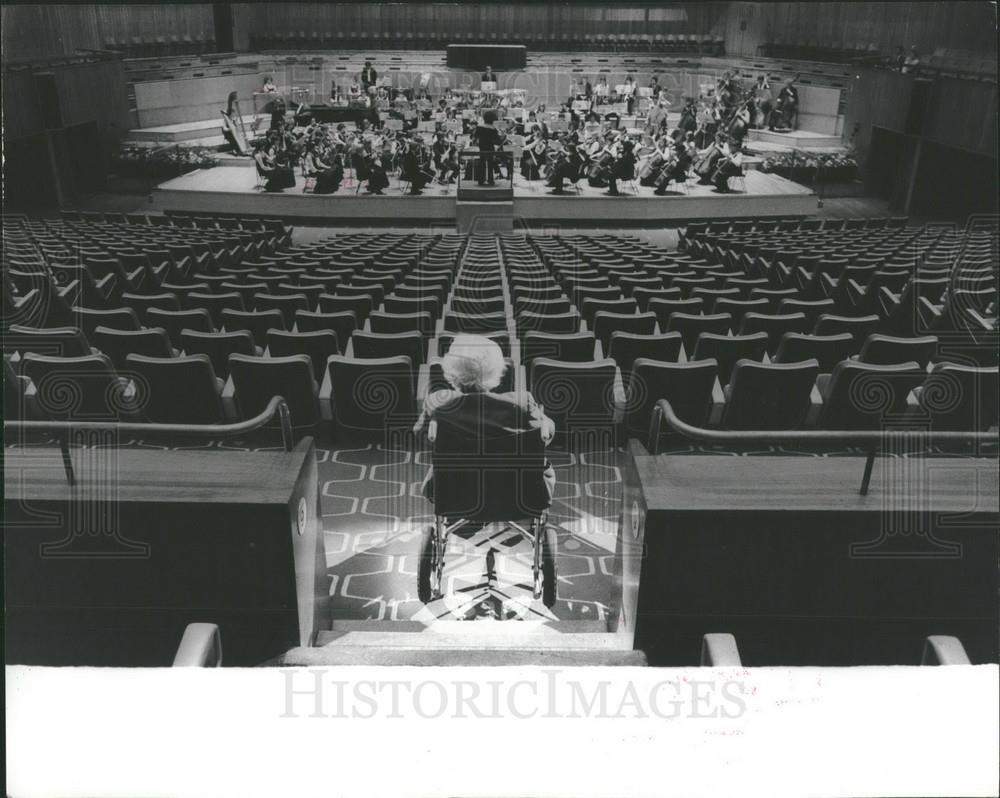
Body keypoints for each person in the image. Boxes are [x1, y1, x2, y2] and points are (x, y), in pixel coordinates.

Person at [414, 334, 557, 505]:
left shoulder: (438, 404)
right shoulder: (522, 403)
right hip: (517, 492)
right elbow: (546, 436)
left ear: (451, 371)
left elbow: (421, 434)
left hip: (456, 491)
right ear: (497, 371)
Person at [474, 109, 502, 185]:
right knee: (490, 164)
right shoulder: (493, 129)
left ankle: (481, 180)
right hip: (490, 148)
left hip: (482, 147)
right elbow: (497, 141)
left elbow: (476, 136)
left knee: (482, 163)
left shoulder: (479, 127)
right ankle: (490, 180)